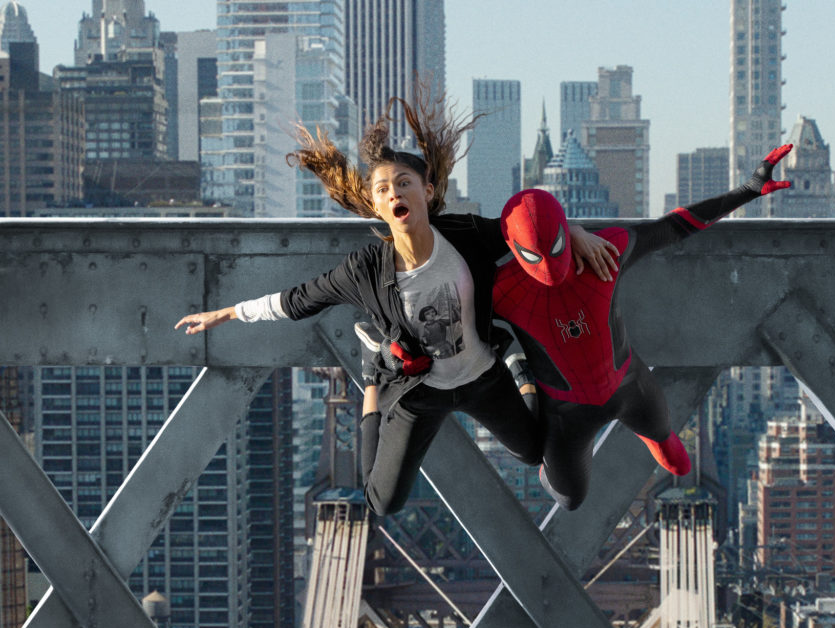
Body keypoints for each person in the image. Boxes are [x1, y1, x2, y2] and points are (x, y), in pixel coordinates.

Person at [174, 93, 614, 516]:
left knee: (537, 450)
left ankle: (516, 364)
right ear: (376, 204)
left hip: (483, 377)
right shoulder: (366, 269)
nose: (394, 193)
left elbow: (527, 227)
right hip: (418, 389)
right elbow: (299, 300)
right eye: (383, 188)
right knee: (382, 502)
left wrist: (573, 232)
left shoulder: (463, 234)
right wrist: (230, 312)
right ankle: (370, 379)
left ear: (427, 190)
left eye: (404, 184)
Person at [493, 145, 793, 509]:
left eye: (555, 246)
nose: (547, 265)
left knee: (675, 458)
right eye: (533, 256)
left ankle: (654, 437)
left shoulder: (605, 251)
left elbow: (673, 227)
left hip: (628, 383)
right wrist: (571, 230)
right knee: (570, 498)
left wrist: (746, 191)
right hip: (566, 412)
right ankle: (528, 383)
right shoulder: (503, 289)